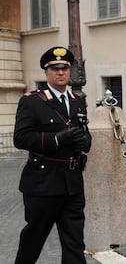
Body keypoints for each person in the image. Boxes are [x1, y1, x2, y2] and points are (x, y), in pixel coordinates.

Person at [13, 46, 92, 264]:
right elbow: (20, 138)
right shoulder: (32, 101)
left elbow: (84, 133)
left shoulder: (77, 101)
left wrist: (85, 141)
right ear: (46, 72)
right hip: (43, 183)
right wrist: (57, 139)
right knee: (34, 239)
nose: (61, 72)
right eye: (55, 68)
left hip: (72, 183)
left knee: (74, 243)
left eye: (65, 68)